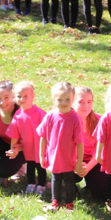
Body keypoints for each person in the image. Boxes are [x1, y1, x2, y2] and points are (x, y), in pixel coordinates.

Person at [38, 82, 84, 212]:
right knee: (56, 179)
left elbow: (80, 143)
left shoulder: (75, 118)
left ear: (73, 99)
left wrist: (79, 161)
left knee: (69, 180)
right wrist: (42, 155)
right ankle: (55, 201)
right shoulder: (50, 116)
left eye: (67, 99)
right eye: (60, 99)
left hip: (68, 158)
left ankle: (69, 202)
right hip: (54, 157)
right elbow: (43, 136)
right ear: (54, 100)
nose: (64, 102)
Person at [6, 81, 46, 193]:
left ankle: (41, 185)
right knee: (31, 165)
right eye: (19, 96)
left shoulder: (39, 113)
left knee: (40, 166)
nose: (22, 99)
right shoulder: (18, 115)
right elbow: (14, 133)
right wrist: (13, 148)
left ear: (33, 96)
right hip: (27, 146)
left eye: (25, 96)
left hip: (40, 146)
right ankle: (31, 183)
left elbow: (47, 129)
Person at [72, 85, 108, 201]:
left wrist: (87, 168)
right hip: (72, 161)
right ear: (72, 102)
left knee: (101, 195)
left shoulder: (99, 120)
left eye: (89, 102)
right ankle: (69, 187)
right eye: (81, 102)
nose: (86, 106)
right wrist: (76, 164)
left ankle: (91, 185)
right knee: (68, 193)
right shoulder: (67, 121)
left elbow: (101, 150)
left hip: (93, 161)